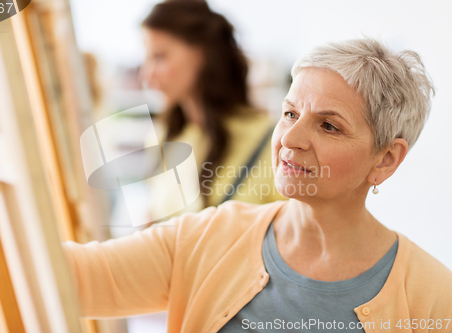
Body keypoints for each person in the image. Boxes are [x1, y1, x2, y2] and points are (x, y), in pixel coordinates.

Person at [62, 38, 452, 332]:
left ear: (385, 159)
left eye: (329, 125)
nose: (290, 139)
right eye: (290, 113)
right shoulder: (205, 238)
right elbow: (70, 277)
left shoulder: (435, 299)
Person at [139, 0, 284, 221]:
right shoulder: (162, 137)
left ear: (202, 56)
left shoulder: (273, 142)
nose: (147, 76)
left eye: (159, 57)